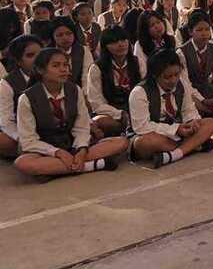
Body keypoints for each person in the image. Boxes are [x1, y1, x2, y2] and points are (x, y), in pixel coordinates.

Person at [14, 47, 127, 177]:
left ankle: (59, 169)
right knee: (23, 163)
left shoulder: (74, 90)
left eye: (65, 65)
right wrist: (57, 152)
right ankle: (93, 165)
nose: (63, 69)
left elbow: (81, 127)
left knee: (121, 142)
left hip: (72, 145)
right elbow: (28, 140)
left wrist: (81, 150)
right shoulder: (27, 98)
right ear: (40, 70)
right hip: (46, 150)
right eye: (56, 65)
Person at [128, 48, 213, 168]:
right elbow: (141, 127)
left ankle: (175, 154)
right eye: (167, 77)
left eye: (176, 74)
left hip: (179, 133)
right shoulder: (139, 92)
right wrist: (175, 129)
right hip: (154, 135)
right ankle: (193, 146)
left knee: (210, 123)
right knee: (143, 142)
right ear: (154, 75)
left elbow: (188, 110)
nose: (173, 80)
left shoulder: (181, 84)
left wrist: (192, 122)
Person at [87, 26, 141, 137]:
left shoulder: (137, 62)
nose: (120, 44)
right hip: (111, 113)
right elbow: (96, 103)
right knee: (101, 121)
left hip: (136, 109)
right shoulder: (97, 68)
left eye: (123, 40)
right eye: (114, 42)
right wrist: (120, 114)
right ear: (105, 46)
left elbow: (146, 89)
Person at [177, 11, 213, 116]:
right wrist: (202, 100)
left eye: (207, 29)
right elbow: (185, 84)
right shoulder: (181, 53)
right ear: (190, 32)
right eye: (199, 30)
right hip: (190, 94)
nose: (204, 33)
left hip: (208, 89)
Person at [0, 35, 42, 158]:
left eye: (40, 54)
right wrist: (23, 139)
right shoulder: (6, 84)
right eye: (30, 55)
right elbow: (6, 121)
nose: (37, 59)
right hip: (22, 131)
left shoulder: (54, 74)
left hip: (51, 130)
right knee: (4, 141)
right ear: (18, 61)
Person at [48, 17, 93, 92]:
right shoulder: (47, 54)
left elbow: (87, 77)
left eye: (68, 33)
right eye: (60, 35)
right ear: (53, 37)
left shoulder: (83, 50)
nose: (65, 38)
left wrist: (83, 94)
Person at [134, 9, 177, 78]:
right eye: (152, 25)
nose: (157, 26)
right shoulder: (140, 45)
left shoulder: (171, 39)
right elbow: (143, 71)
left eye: (158, 22)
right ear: (145, 30)